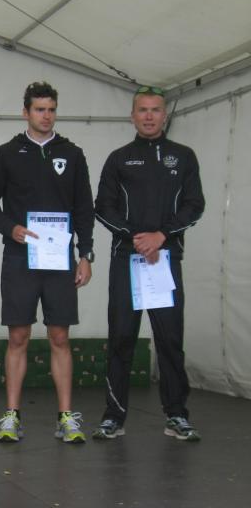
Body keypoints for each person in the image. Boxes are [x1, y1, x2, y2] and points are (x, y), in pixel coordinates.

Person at [0, 81, 94, 443]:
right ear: (25, 112)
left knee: (60, 336)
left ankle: (66, 418)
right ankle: (11, 416)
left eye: (51, 109)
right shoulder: (7, 153)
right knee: (18, 336)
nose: (46, 116)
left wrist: (85, 255)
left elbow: (84, 208)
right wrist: (10, 228)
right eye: (39, 109)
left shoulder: (72, 154)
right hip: (20, 258)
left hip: (60, 259)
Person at [93, 85, 205, 442]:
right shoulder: (119, 158)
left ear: (165, 115)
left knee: (170, 339)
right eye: (142, 110)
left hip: (165, 260)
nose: (149, 116)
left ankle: (177, 415)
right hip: (126, 260)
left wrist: (162, 236)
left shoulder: (183, 156)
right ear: (132, 116)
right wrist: (136, 238)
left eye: (155, 110)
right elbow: (103, 206)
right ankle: (113, 416)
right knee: (121, 338)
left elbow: (194, 205)